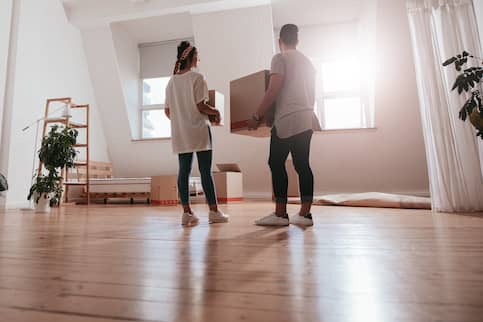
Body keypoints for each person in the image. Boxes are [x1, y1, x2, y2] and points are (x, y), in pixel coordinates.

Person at [248, 24, 321, 227]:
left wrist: (257, 115)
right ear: (297, 41)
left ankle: (280, 214)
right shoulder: (308, 62)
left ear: (280, 41)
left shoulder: (280, 58)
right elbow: (313, 95)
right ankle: (305, 215)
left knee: (275, 162)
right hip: (306, 118)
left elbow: (273, 89)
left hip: (287, 119)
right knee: (302, 164)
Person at [165, 41, 229, 226]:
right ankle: (214, 211)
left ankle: (187, 213)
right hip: (199, 130)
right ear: (192, 57)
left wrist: (181, 121)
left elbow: (168, 112)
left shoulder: (171, 82)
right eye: (197, 55)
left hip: (181, 133)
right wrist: (216, 112)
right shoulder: (197, 78)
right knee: (205, 172)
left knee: (183, 171)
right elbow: (201, 105)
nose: (198, 59)